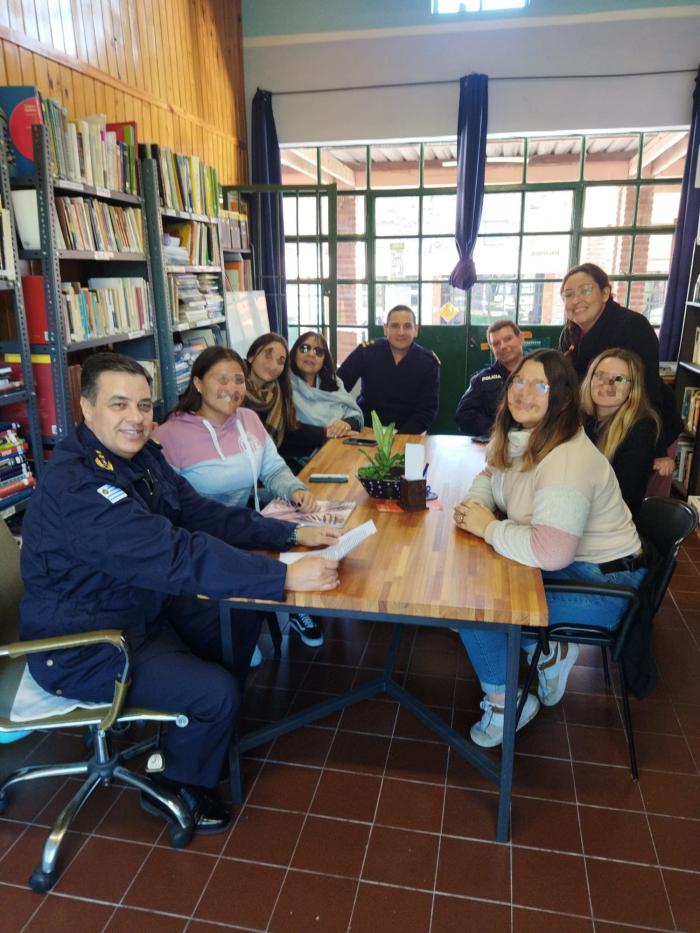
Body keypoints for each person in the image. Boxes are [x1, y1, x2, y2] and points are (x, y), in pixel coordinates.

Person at [19, 353, 340, 834]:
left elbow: (198, 513)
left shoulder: (141, 455)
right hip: (86, 642)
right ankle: (178, 782)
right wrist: (283, 578)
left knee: (237, 618)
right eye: (119, 404)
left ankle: (193, 726)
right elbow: (173, 554)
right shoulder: (79, 485)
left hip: (139, 607)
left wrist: (288, 536)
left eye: (145, 405)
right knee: (215, 692)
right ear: (87, 409)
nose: (136, 417)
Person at [452, 349, 646, 748]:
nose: (524, 392)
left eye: (540, 385)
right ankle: (549, 651)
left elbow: (551, 552)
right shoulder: (522, 434)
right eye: (518, 382)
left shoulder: (566, 460)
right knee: (476, 587)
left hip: (604, 587)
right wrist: (476, 505)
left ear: (560, 397)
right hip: (575, 566)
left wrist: (488, 527)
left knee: (474, 610)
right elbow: (490, 473)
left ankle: (508, 705)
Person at [156, 346, 321, 662]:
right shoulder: (170, 435)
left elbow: (272, 468)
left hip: (244, 526)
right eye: (222, 379)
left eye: (238, 380)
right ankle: (233, 626)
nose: (232, 389)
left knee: (308, 542)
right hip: (202, 539)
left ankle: (287, 610)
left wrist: (295, 491)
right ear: (198, 383)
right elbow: (172, 509)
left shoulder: (248, 419)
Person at [243, 333, 329, 648]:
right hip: (243, 493)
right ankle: (247, 623)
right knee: (294, 525)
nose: (275, 364)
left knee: (310, 520)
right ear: (251, 355)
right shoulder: (236, 397)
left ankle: (296, 607)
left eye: (280, 359)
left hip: (267, 481)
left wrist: (294, 488)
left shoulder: (278, 392)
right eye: (268, 355)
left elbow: (283, 444)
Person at [558, 262, 680, 484]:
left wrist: (657, 448)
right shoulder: (569, 333)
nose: (575, 300)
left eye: (585, 290)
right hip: (599, 427)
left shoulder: (633, 326)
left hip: (644, 428)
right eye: (568, 295)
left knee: (629, 503)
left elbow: (649, 387)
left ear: (605, 293)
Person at [581, 348, 661, 516]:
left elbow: (622, 498)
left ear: (632, 388)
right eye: (599, 375)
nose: (607, 383)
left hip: (609, 526)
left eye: (618, 379)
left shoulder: (641, 429)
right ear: (589, 379)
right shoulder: (581, 418)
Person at [337, 305, 440, 433]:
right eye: (395, 326)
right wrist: (346, 419)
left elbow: (427, 411)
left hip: (410, 432)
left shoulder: (428, 362)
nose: (401, 332)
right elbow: (337, 387)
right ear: (385, 329)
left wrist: (399, 439)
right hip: (368, 429)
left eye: (407, 326)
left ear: (416, 330)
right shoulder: (366, 352)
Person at [455, 319, 525, 437]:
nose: (503, 346)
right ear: (492, 348)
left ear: (521, 338)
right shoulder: (482, 379)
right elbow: (464, 416)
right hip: (498, 445)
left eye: (508, 339)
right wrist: (500, 430)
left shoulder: (542, 372)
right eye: (496, 343)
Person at [290, 330, 364, 438]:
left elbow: (355, 416)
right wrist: (325, 432)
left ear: (324, 359)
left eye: (318, 351)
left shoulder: (334, 382)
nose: (311, 354)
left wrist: (346, 424)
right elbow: (288, 430)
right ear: (294, 353)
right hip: (302, 452)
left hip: (336, 445)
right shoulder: (284, 385)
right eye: (305, 348)